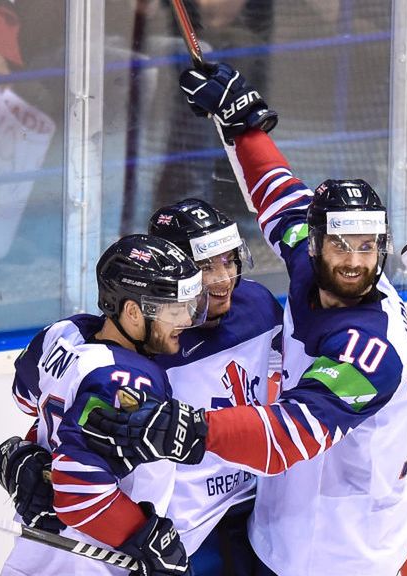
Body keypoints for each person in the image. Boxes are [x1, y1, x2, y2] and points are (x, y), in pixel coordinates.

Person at [82, 62, 407, 575]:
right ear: (315, 242)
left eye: (368, 248)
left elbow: (291, 435)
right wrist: (242, 126)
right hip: (277, 531)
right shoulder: (307, 264)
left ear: (382, 249)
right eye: (339, 243)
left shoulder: (369, 347)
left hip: (344, 555)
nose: (353, 260)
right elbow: (277, 195)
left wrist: (190, 428)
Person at [0, 234, 208, 576]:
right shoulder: (130, 380)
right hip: (94, 562)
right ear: (133, 311)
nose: (186, 319)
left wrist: (32, 452)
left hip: (35, 555)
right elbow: (78, 489)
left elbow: (25, 398)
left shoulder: (61, 334)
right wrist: (145, 538)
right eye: (174, 309)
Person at [148, 198, 283, 574]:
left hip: (257, 502)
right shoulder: (149, 336)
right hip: (184, 527)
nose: (223, 279)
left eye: (228, 260)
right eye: (206, 267)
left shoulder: (255, 303)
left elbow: (306, 366)